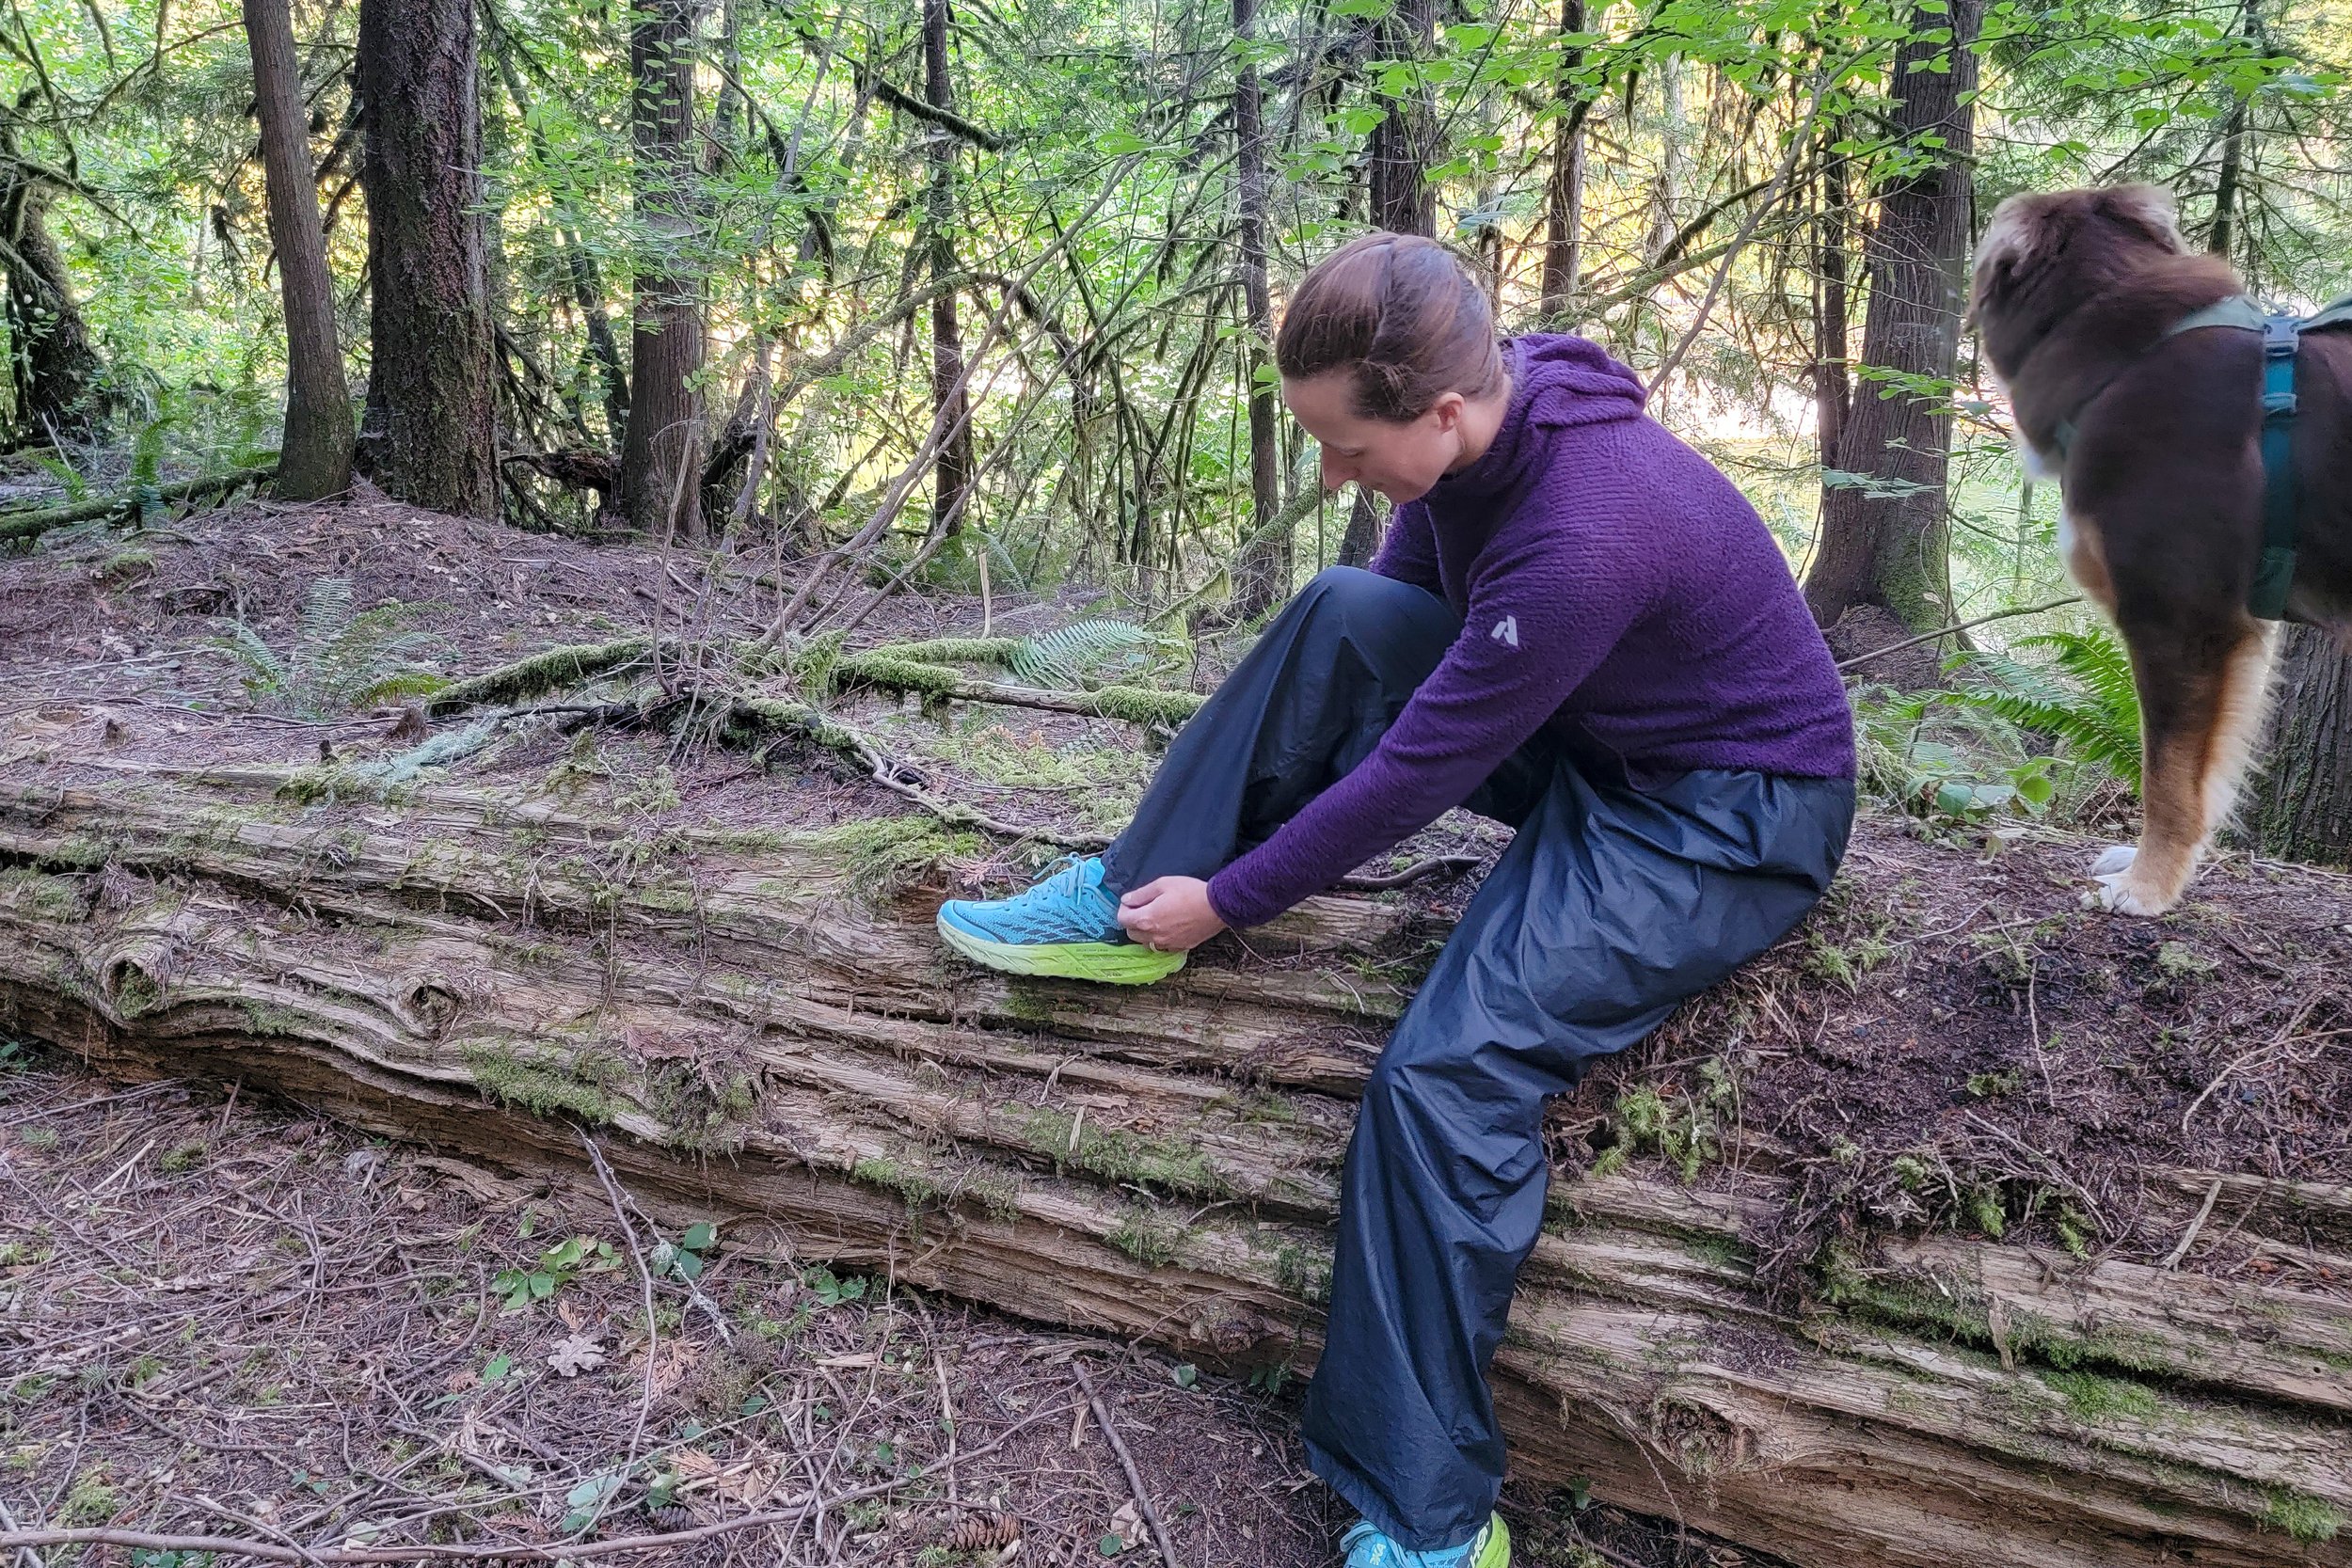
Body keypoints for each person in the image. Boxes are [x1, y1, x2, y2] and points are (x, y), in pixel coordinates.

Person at [935, 233, 1855, 1568]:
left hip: (1726, 816)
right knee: (1335, 604)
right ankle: (1124, 899)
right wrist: (1202, 876)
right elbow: (1388, 631)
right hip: (1608, 744)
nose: (1330, 472)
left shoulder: (1583, 533)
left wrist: (1236, 901)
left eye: (1347, 450)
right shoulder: (1466, 440)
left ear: (1439, 412)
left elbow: (1421, 767)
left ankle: (1432, 1521)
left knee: (1446, 1076)